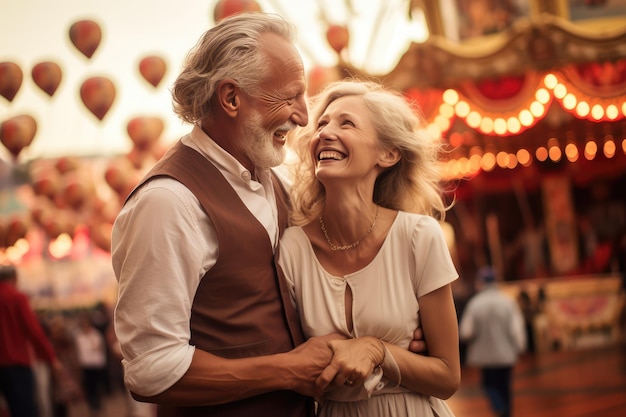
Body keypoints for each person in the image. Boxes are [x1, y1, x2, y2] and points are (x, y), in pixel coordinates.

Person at [111, 12, 426, 417]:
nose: (302, 116)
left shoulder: (274, 181)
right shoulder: (168, 203)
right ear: (230, 98)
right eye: (289, 96)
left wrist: (391, 337)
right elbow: (151, 370)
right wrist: (286, 370)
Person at [277, 80, 461, 416]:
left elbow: (448, 376)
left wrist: (376, 350)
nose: (325, 133)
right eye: (322, 124)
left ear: (388, 154)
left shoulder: (419, 236)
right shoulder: (292, 247)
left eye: (345, 123)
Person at [459, 266, 526, 417]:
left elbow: (466, 332)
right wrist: (520, 347)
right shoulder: (507, 302)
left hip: (485, 357)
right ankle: (506, 412)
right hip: (506, 355)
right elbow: (516, 329)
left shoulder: (475, 304)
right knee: (505, 386)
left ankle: (498, 406)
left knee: (488, 384)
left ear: (481, 282)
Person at [0, 264, 63, 417]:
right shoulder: (17, 297)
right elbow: (34, 331)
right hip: (18, 363)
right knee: (24, 408)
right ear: (15, 278)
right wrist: (51, 357)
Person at [73, 312, 108, 416]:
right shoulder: (78, 335)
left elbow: (100, 349)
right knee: (89, 386)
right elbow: (76, 350)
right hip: (85, 364)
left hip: (96, 364)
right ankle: (92, 404)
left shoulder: (95, 334)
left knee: (97, 385)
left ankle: (98, 404)